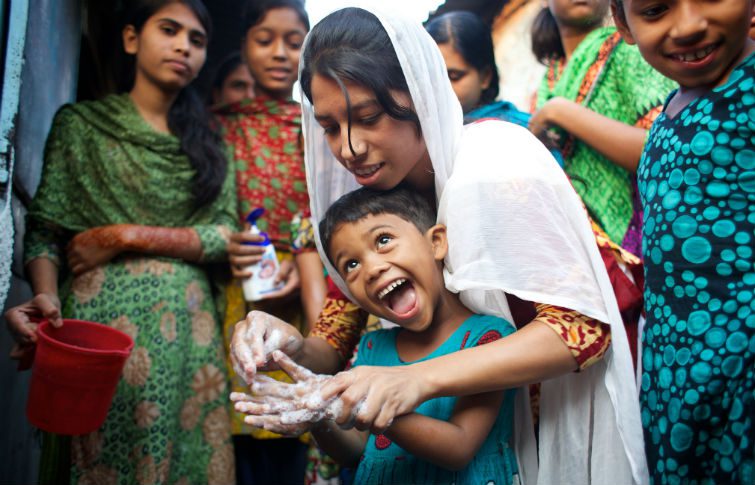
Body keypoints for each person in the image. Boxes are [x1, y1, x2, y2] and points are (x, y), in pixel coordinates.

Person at [231, 7, 648, 485]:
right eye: (329, 127)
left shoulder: (493, 163)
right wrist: (286, 346)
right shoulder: (374, 204)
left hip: (533, 434)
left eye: (367, 117)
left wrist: (418, 379)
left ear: (419, 96)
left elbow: (582, 329)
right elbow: (331, 341)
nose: (349, 148)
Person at [4, 1, 238, 484]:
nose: (183, 46)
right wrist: (45, 297)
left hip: (187, 339)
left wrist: (123, 235)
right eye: (169, 30)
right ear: (131, 39)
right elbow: (46, 230)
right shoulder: (82, 126)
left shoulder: (212, 145)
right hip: (95, 331)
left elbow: (223, 235)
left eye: (196, 40)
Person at [236, 185, 519, 484]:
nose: (370, 269)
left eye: (383, 240)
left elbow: (458, 448)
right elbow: (355, 452)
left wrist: (368, 407)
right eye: (352, 264)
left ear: (436, 242)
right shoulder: (374, 346)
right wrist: (317, 413)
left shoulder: (488, 338)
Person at [612, 0, 755, 483]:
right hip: (676, 368)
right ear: (622, 23)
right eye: (655, 10)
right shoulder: (672, 108)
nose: (690, 25)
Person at [213, 1, 313, 483]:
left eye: (294, 43)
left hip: (310, 288)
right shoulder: (219, 128)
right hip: (236, 290)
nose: (280, 53)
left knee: (299, 417)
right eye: (265, 39)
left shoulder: (319, 127)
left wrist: (307, 262)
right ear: (243, 46)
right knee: (240, 420)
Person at [530, 0, 676, 257]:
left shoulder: (631, 51)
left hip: (651, 239)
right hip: (583, 252)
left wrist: (561, 112)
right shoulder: (544, 90)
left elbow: (668, 153)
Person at [425, 11, 563, 166]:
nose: (443, 88)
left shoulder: (518, 132)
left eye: (454, 76)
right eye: (434, 78)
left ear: (485, 77)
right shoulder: (421, 136)